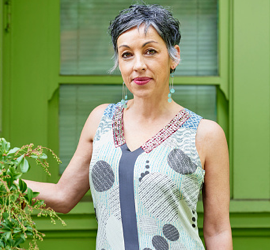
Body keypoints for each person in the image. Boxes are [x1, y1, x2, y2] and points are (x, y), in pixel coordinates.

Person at [24, 3, 232, 250]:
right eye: (126, 54)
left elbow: (217, 230)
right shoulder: (100, 121)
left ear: (174, 56)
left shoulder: (205, 134)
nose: (138, 65)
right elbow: (63, 196)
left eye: (151, 51)